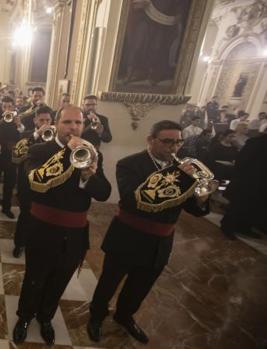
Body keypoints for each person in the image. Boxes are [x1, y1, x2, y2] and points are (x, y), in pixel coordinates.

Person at [87, 120, 210, 344]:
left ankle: (125, 316)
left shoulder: (185, 169)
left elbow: (192, 208)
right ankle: (96, 316)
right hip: (128, 236)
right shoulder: (130, 164)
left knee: (141, 285)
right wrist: (177, 176)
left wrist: (201, 200)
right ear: (150, 140)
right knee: (109, 282)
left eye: (178, 142)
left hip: (161, 240)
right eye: (167, 141)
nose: (173, 147)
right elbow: (131, 199)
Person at [13, 106, 111, 346]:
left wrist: (88, 177)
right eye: (67, 122)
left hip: (75, 232)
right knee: (35, 277)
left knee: (60, 279)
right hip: (43, 229)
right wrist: (66, 154)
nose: (74, 127)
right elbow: (31, 184)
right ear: (57, 124)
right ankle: (24, 317)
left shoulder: (93, 153)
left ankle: (46, 317)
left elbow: (104, 193)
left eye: (78, 123)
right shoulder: (38, 150)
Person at [11, 106, 54, 258]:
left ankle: (36, 244)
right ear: (35, 120)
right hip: (26, 182)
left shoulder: (56, 136)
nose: (45, 123)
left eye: (48, 120)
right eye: (41, 119)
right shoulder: (26, 134)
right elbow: (17, 154)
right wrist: (36, 135)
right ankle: (19, 244)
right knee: (26, 214)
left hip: (48, 182)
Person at [221, 128, 267, 239]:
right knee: (237, 205)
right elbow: (241, 161)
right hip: (247, 181)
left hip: (261, 183)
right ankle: (227, 227)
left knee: (252, 207)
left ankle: (244, 227)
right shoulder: (255, 142)